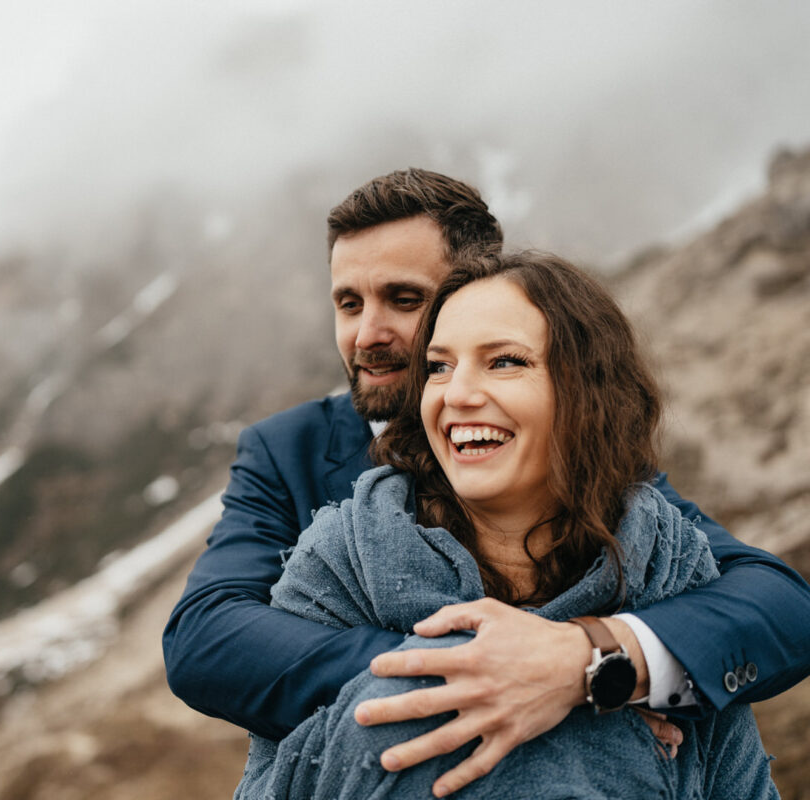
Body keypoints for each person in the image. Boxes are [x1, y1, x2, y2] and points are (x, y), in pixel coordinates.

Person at [163, 168, 810, 795]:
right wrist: (483, 673)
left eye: (405, 299)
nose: (367, 334)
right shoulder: (290, 448)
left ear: (477, 291)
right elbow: (207, 638)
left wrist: (588, 660)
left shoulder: (578, 468)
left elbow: (774, 606)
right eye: (348, 303)